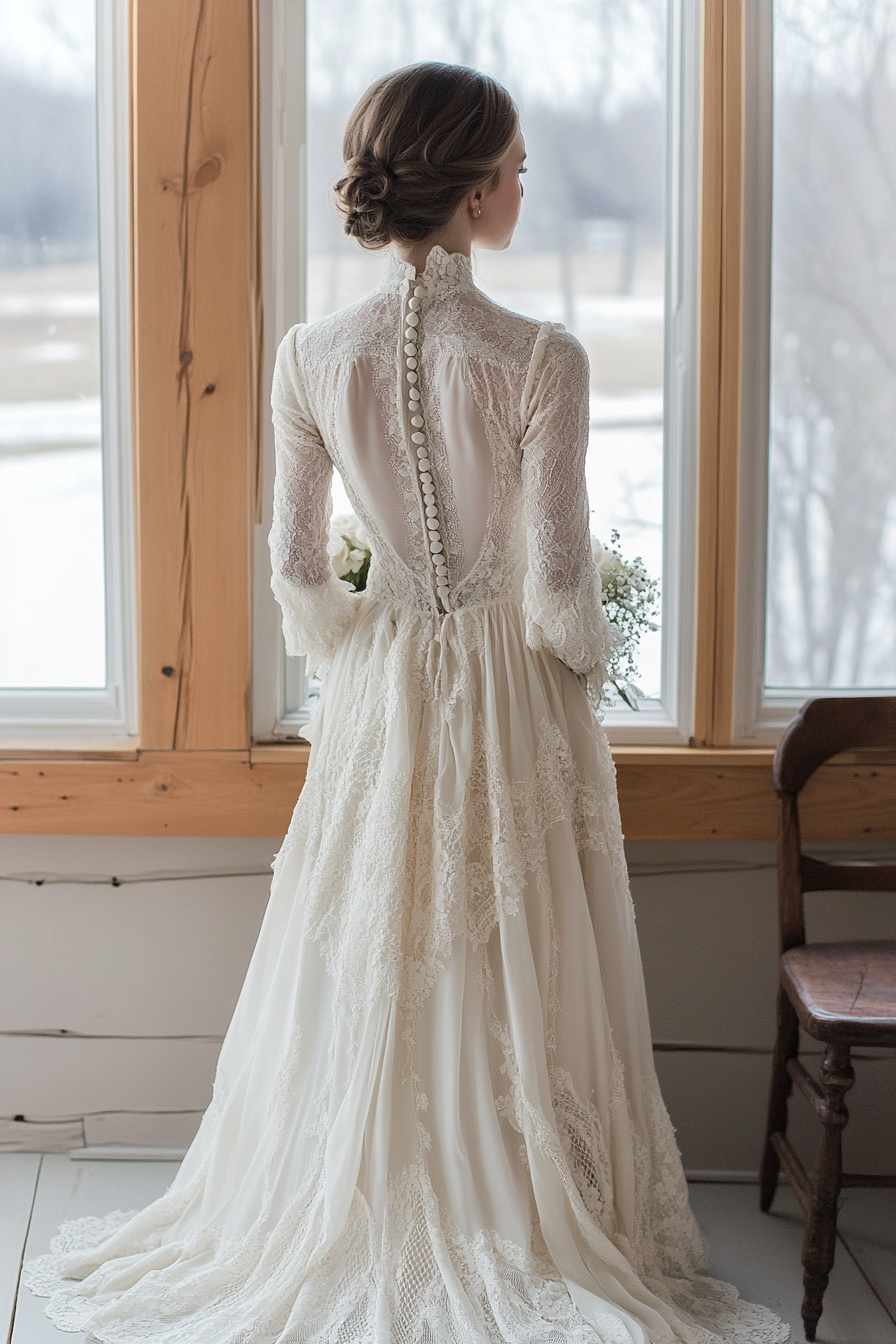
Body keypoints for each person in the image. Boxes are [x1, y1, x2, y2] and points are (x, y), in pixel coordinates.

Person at [25, 62, 788, 1344]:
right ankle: (522, 1198)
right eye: (519, 167)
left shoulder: (307, 356)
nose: (525, 185)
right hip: (507, 694)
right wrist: (589, 663)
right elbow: (553, 593)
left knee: (370, 935)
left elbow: (291, 569)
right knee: (510, 937)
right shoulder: (542, 356)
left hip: (384, 683)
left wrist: (356, 643)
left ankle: (357, 1185)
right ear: (476, 184)